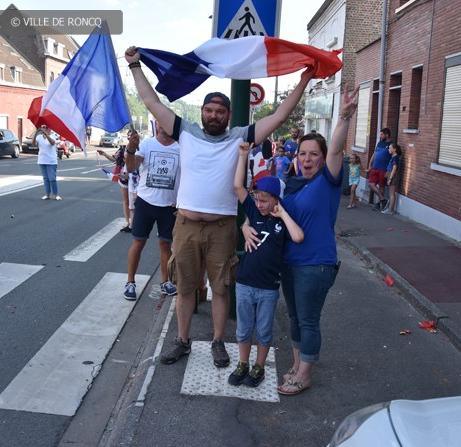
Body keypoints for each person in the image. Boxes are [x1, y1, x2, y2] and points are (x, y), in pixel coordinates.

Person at [125, 45, 314, 368]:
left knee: (221, 288)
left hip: (222, 227)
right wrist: (135, 67)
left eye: (220, 111)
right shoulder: (184, 132)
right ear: (202, 112)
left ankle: (216, 342)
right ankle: (182, 341)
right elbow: (151, 102)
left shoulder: (242, 136)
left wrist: (305, 79)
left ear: (228, 115)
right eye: (210, 110)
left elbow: (280, 116)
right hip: (184, 224)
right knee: (185, 288)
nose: (214, 115)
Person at [243, 84, 360, 395]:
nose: (307, 159)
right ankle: (297, 363)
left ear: (322, 159)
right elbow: (258, 205)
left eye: (314, 154)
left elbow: (336, 149)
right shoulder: (290, 186)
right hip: (290, 265)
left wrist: (344, 118)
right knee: (294, 316)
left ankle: (305, 373)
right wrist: (244, 225)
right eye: (303, 153)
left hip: (315, 265)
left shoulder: (327, 182)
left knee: (308, 320)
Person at [229, 143, 304, 387]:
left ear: (276, 200)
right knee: (243, 329)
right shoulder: (254, 212)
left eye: (265, 201)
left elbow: (298, 237)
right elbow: (238, 186)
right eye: (258, 200)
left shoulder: (282, 221)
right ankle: (242, 364)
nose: (260, 205)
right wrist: (242, 156)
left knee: (263, 331)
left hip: (269, 287)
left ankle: (258, 366)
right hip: (245, 283)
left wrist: (282, 214)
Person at [122, 122, 181, 300]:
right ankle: (130, 282)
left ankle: (165, 282)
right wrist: (130, 150)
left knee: (165, 245)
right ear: (157, 124)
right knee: (138, 243)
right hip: (146, 202)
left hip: (169, 206)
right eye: (161, 121)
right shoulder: (146, 144)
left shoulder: (181, 148)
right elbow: (131, 168)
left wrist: (180, 201)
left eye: (168, 121)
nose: (164, 124)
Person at [97, 146, 131, 232]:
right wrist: (104, 154)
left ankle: (135, 222)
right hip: (124, 179)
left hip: (136, 179)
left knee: (135, 202)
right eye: (129, 136)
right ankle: (127, 221)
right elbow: (114, 159)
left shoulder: (140, 148)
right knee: (126, 201)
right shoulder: (123, 149)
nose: (130, 138)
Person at [367, 128, 392, 211]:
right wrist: (370, 164)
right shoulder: (379, 143)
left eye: (382, 134)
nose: (380, 136)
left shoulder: (391, 144)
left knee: (381, 186)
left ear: (387, 135)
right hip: (375, 167)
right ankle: (383, 199)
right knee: (371, 184)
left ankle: (378, 204)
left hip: (383, 169)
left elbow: (393, 157)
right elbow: (374, 154)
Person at [36, 125, 60, 200]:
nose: (44, 129)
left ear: (50, 128)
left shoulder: (53, 135)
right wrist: (36, 133)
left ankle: (56, 194)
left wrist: (46, 134)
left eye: (46, 127)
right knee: (45, 178)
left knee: (52, 178)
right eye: (43, 127)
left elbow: (52, 143)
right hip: (42, 160)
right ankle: (47, 194)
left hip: (51, 161)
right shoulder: (39, 137)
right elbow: (34, 144)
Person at [382, 143, 402, 215]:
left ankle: (391, 209)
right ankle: (390, 208)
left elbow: (394, 168)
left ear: (394, 149)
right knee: (391, 193)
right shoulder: (393, 156)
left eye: (390, 148)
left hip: (393, 175)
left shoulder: (395, 157)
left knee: (392, 193)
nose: (388, 149)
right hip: (390, 174)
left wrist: (390, 178)